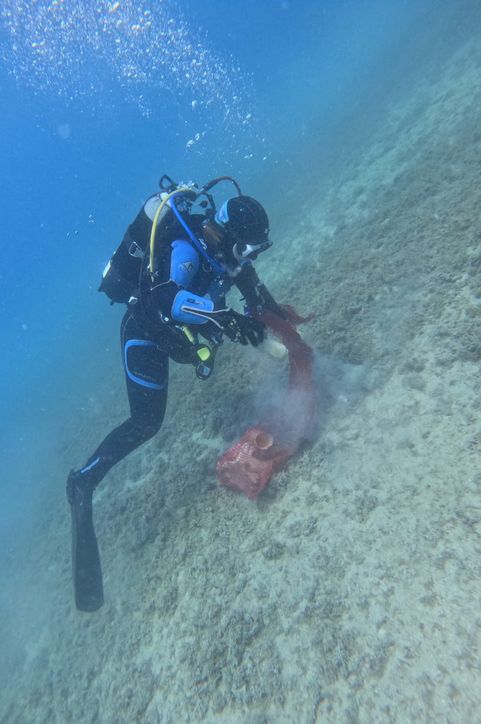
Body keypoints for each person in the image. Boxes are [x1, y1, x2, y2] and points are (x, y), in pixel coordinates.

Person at [67, 178, 287, 611]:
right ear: (228, 236)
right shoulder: (188, 249)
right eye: (248, 251)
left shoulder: (231, 257)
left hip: (179, 338)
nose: (248, 261)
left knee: (205, 345)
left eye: (255, 253)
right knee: (146, 423)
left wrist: (284, 328)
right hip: (145, 335)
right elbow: (167, 300)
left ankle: (85, 479)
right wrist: (228, 319)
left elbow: (257, 295)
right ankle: (82, 481)